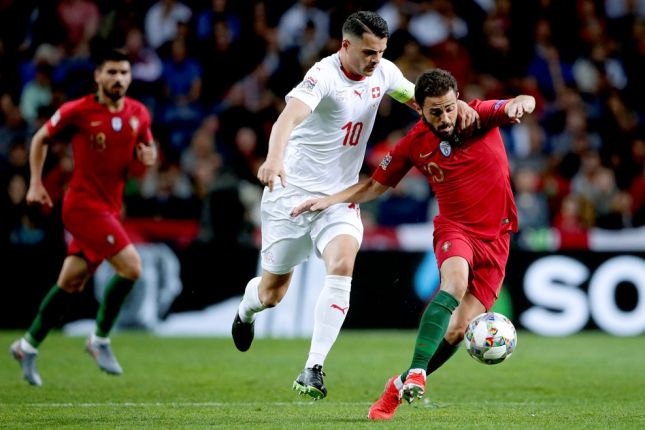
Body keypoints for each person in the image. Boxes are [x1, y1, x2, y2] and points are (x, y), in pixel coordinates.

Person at [230, 11, 478, 400]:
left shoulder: (385, 73)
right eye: (368, 52)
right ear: (346, 45)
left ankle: (313, 368)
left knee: (343, 262)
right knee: (272, 293)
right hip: (291, 194)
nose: (375, 59)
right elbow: (286, 120)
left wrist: (459, 110)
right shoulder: (322, 76)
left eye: (380, 51)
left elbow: (424, 102)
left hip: (340, 197)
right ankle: (246, 311)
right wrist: (274, 159)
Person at [291, 68, 535, 418]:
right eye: (436, 111)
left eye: (449, 107)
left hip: (498, 238)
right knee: (454, 284)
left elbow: (521, 101)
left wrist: (519, 104)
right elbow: (374, 186)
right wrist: (328, 200)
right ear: (420, 108)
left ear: (458, 99)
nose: (445, 117)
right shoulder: (412, 144)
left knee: (458, 331)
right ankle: (418, 372)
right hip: (455, 230)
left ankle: (398, 384)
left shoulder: (478, 115)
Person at [10, 48, 158, 386]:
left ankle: (27, 345)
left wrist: (149, 157)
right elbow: (40, 138)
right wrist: (35, 183)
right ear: (98, 76)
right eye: (112, 72)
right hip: (81, 206)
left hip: (110, 209)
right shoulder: (78, 110)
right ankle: (100, 339)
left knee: (70, 283)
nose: (118, 78)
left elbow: (145, 154)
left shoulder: (139, 113)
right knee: (132, 268)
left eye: (124, 72)